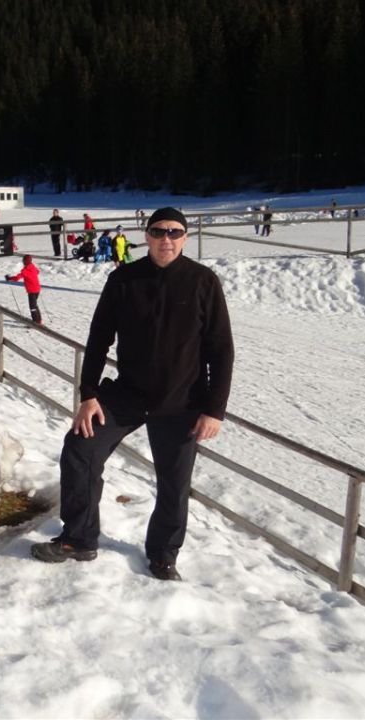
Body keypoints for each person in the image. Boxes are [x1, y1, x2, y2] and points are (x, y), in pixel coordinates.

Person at [30, 207, 234, 582]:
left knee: (174, 484)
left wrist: (214, 410)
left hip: (182, 400)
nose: (166, 239)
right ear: (147, 235)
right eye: (158, 232)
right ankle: (79, 537)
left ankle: (162, 555)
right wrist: (89, 394)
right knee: (80, 448)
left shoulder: (203, 281)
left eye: (174, 232)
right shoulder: (124, 278)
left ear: (185, 237)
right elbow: (98, 338)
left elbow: (221, 350)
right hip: (127, 393)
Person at [5, 254, 42, 325]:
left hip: (32, 290)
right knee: (35, 305)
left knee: (32, 307)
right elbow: (37, 272)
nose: (23, 262)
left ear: (25, 261)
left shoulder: (25, 271)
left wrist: (9, 278)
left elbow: (17, 278)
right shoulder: (33, 267)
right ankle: (39, 320)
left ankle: (36, 322)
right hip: (37, 289)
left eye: (23, 261)